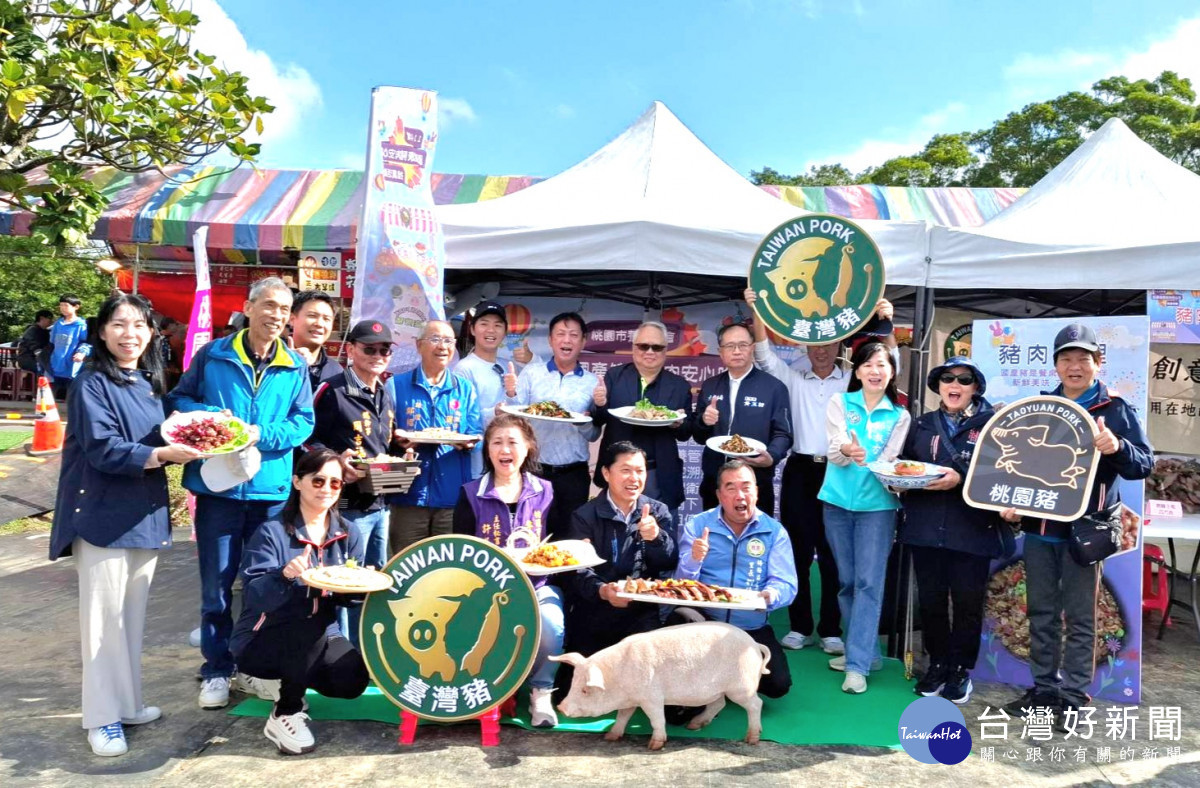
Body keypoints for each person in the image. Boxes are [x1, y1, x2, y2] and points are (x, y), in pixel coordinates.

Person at [49, 294, 204, 756]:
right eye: (119, 325)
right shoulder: (91, 383)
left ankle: (129, 704)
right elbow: (103, 448)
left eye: (139, 325)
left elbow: (160, 435)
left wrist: (195, 430)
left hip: (143, 514)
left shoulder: (147, 383)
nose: (130, 334)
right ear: (100, 331)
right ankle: (101, 719)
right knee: (101, 624)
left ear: (151, 333)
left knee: (130, 619)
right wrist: (161, 455)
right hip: (100, 515)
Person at [169, 276, 315, 710]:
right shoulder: (213, 355)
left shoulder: (295, 365)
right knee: (215, 586)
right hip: (217, 490)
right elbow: (178, 400)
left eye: (284, 310)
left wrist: (259, 433)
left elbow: (302, 422)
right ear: (248, 307)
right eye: (268, 305)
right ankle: (216, 668)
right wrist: (217, 420)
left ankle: (256, 666)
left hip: (269, 492)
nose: (276, 316)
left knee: (265, 585)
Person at [1001, 324, 1153, 721]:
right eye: (1065, 359)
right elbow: (1022, 469)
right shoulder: (1041, 407)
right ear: (1054, 365)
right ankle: (1043, 689)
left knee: (1082, 616)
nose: (1074, 366)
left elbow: (1143, 465)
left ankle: (1073, 698)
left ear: (1097, 364)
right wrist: (1009, 502)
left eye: (1082, 359)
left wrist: (1116, 446)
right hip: (1040, 529)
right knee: (1041, 612)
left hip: (1086, 535)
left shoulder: (1115, 409)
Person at [231, 448, 370, 755]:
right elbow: (255, 595)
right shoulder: (273, 532)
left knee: (352, 680)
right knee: (307, 622)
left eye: (335, 483)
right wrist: (284, 575)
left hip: (321, 635)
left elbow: (348, 599)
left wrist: (363, 585)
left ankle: (293, 678)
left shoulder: (349, 532)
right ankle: (285, 711)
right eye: (318, 480)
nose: (327, 489)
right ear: (297, 482)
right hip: (261, 637)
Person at [898, 357, 1005, 705]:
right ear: (938, 386)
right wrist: (897, 482)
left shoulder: (993, 425)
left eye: (964, 379)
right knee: (930, 601)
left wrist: (962, 481)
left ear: (976, 387)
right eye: (947, 379)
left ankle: (961, 669)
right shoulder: (922, 424)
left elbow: (1004, 474)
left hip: (972, 529)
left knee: (967, 603)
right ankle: (937, 662)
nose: (954, 385)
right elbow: (902, 464)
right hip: (926, 528)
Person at [452, 413, 562, 727]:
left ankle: (541, 692)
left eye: (513, 442)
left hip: (537, 585)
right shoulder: (470, 493)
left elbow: (560, 547)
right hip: (486, 591)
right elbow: (462, 552)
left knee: (552, 623)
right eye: (497, 442)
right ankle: (485, 690)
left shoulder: (548, 492)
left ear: (528, 448)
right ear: (487, 450)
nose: (505, 449)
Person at [818, 341, 911, 695]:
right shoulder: (840, 403)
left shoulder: (899, 415)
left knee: (869, 584)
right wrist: (846, 449)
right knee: (846, 580)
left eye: (882, 365)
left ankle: (856, 665)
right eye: (869, 364)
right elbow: (834, 449)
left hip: (878, 507)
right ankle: (867, 652)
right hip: (837, 502)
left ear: (891, 374)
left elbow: (889, 463)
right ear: (856, 370)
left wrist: (873, 461)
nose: (875, 371)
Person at [307, 319, 400, 644]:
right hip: (346, 506)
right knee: (346, 581)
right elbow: (306, 439)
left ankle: (369, 653)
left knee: (374, 578)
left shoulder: (384, 393)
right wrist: (335, 462)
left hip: (381, 504)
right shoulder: (332, 390)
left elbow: (381, 447)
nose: (378, 355)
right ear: (350, 350)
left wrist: (403, 446)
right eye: (369, 348)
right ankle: (341, 655)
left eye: (384, 349)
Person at [675, 460, 797, 698]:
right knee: (678, 711)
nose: (740, 495)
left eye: (746, 487)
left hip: (751, 626)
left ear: (757, 492)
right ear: (720, 495)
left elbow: (786, 583)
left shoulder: (774, 531)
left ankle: (723, 679)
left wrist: (770, 595)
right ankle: (715, 681)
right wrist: (694, 559)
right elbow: (681, 584)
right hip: (705, 624)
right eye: (731, 488)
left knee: (778, 685)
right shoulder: (698, 525)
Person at [562, 441, 678, 658]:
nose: (634, 478)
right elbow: (575, 572)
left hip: (642, 612)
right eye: (625, 470)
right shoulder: (585, 516)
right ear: (606, 473)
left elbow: (669, 562)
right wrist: (603, 591)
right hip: (595, 611)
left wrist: (656, 538)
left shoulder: (658, 511)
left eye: (640, 471)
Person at [504, 311, 601, 537]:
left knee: (569, 539)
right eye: (560, 334)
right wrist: (510, 392)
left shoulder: (592, 382)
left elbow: (593, 434)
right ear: (550, 340)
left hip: (573, 474)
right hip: (534, 470)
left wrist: (582, 422)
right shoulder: (532, 373)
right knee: (529, 534)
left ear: (583, 341)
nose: (566, 340)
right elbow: (515, 417)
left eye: (573, 335)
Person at [388, 320, 482, 551]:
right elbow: (384, 435)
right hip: (407, 494)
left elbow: (475, 432)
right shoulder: (395, 385)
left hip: (451, 495)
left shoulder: (465, 388)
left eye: (449, 341)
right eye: (436, 339)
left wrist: (469, 443)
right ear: (419, 345)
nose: (443, 346)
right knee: (406, 565)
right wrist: (397, 442)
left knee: (446, 569)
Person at [591, 322, 694, 524]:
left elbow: (686, 432)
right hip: (618, 472)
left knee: (660, 540)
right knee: (615, 535)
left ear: (666, 351)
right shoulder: (615, 376)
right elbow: (598, 419)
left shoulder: (679, 385)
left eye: (657, 347)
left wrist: (679, 423)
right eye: (643, 346)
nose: (649, 352)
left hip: (659, 474)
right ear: (633, 347)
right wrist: (600, 403)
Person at [691, 322, 791, 516]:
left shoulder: (774, 387)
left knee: (756, 543)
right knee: (714, 541)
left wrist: (771, 456)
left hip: (755, 481)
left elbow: (784, 433)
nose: (736, 351)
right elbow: (699, 436)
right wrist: (704, 422)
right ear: (720, 352)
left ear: (752, 348)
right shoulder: (711, 386)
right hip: (716, 481)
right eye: (730, 346)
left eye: (743, 345)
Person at [453, 301, 534, 476]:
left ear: (505, 332)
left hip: (507, 459)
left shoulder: (508, 366)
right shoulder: (464, 368)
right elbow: (460, 418)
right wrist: (494, 412)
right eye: (484, 324)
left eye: (497, 325)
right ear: (473, 329)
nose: (491, 330)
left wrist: (512, 393)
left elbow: (521, 408)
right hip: (478, 460)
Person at [289, 290, 342, 390]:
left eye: (326, 319)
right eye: (312, 316)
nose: (320, 324)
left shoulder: (336, 371)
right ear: (292, 319)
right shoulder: (272, 361)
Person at [49, 294, 91, 399]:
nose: (62, 308)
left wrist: (82, 352)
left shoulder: (81, 325)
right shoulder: (58, 324)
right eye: (61, 305)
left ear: (76, 307)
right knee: (52, 395)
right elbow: (52, 341)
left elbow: (86, 342)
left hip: (72, 364)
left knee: (71, 394)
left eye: (66, 305)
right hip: (56, 363)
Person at [16, 309, 54, 374]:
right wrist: (43, 359)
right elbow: (34, 347)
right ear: (41, 318)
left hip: (38, 358)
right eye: (49, 318)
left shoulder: (44, 331)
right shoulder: (32, 330)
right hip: (28, 359)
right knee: (48, 370)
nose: (51, 321)